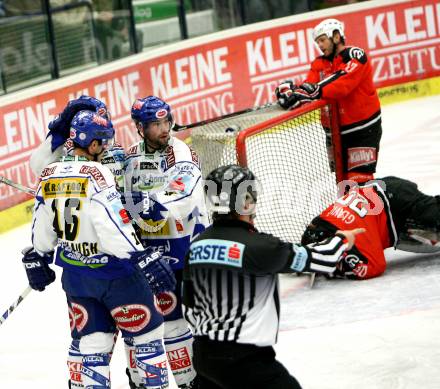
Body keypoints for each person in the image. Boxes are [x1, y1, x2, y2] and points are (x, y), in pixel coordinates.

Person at [22, 109, 176, 388]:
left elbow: (41, 227)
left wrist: (40, 255)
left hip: (77, 278)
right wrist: (140, 254)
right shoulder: (96, 173)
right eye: (102, 143)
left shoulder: (48, 174)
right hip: (117, 275)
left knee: (93, 345)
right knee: (147, 337)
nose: (106, 148)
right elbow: (110, 222)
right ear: (92, 145)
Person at [182, 164, 364, 389]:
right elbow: (323, 258)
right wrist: (342, 239)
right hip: (245, 362)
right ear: (246, 202)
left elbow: (188, 305)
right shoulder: (259, 247)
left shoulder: (197, 246)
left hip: (203, 357)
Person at [124, 96, 210, 388]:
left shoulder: (180, 151)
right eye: (155, 124)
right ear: (140, 128)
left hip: (186, 244)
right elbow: (119, 198)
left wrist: (149, 203)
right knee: (165, 319)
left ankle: (201, 377)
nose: (163, 129)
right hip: (154, 251)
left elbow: (183, 196)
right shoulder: (131, 155)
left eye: (166, 122)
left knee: (199, 320)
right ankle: (183, 381)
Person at [275, 18, 382, 183]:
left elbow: (342, 82)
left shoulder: (355, 55)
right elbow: (309, 86)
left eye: (323, 40)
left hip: (362, 129)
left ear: (337, 36)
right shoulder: (319, 63)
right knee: (342, 180)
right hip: (334, 133)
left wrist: (312, 91)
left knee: (359, 180)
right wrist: (291, 92)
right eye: (318, 42)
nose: (320, 45)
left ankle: (368, 207)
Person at [301, 176, 440, 279]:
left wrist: (334, 268)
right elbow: (311, 235)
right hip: (383, 192)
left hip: (394, 200)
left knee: (432, 221)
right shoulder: (324, 221)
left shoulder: (354, 235)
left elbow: (374, 267)